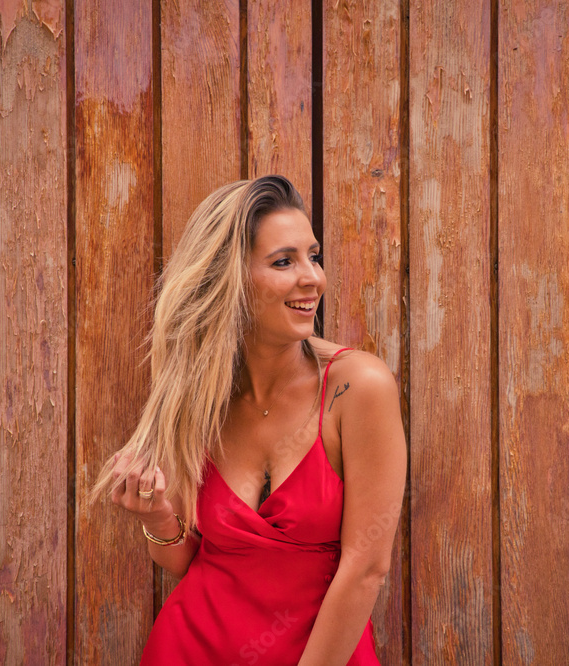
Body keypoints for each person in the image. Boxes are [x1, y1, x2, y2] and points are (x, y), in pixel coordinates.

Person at [89, 175, 407, 664]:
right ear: (229, 279)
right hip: (188, 649)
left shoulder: (357, 387)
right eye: (284, 261)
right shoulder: (201, 398)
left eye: (313, 256)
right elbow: (186, 561)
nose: (313, 278)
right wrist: (156, 515)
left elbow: (367, 569)